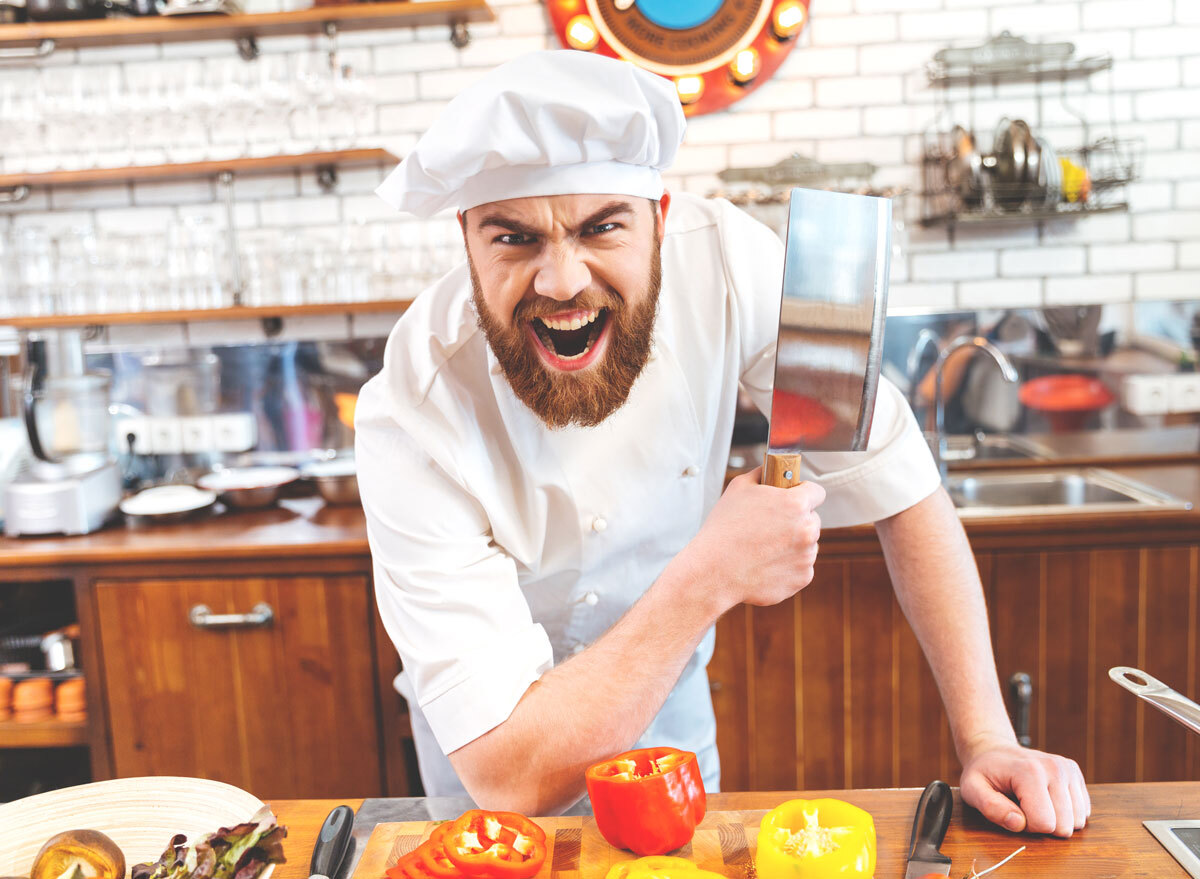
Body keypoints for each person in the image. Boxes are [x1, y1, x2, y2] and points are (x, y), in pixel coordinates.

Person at [357, 50, 1089, 834]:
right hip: (493, 762)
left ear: (661, 219)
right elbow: (512, 773)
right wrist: (708, 576)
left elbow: (900, 482)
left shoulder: (735, 263)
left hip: (669, 735)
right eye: (514, 238)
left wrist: (987, 737)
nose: (562, 281)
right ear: (466, 240)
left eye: (602, 226)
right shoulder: (413, 408)